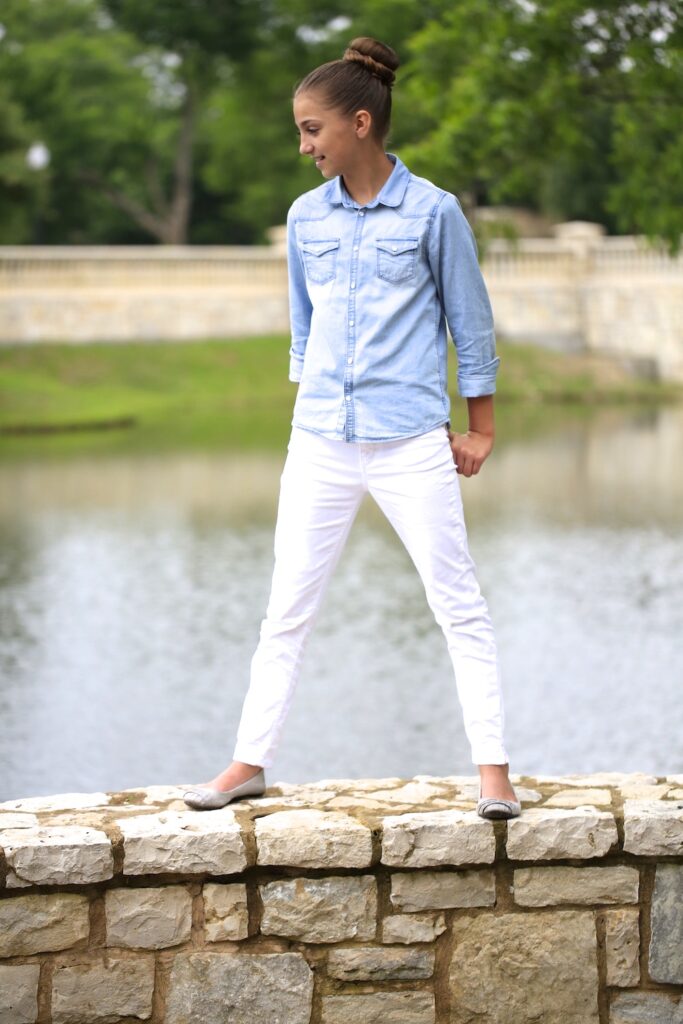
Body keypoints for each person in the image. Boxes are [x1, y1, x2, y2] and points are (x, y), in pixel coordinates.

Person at [183, 36, 521, 820]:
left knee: (457, 603)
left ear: (359, 124)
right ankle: (246, 763)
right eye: (300, 130)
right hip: (320, 443)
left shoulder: (434, 213)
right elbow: (303, 329)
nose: (302, 146)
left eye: (311, 130)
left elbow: (471, 328)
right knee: (286, 610)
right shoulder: (306, 219)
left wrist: (482, 431)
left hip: (409, 441)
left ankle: (495, 775)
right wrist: (312, 418)